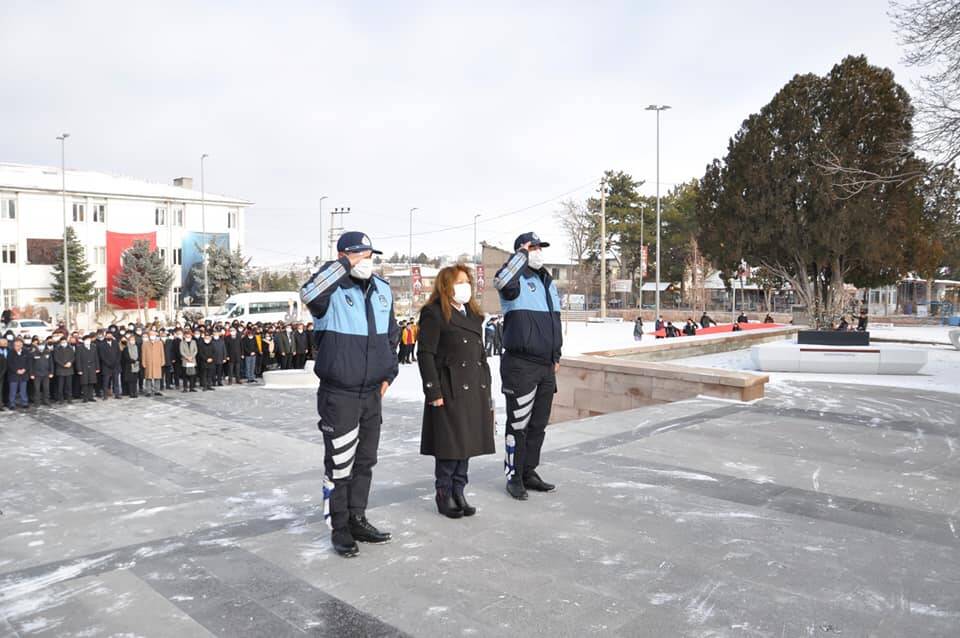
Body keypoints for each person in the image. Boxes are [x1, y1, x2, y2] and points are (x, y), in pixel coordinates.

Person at [300, 230, 399, 558]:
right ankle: (339, 527)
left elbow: (391, 336)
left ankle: (358, 517)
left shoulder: (382, 289)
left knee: (365, 461)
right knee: (340, 464)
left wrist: (389, 373)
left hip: (372, 393)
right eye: (358, 255)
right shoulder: (329, 291)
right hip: (339, 393)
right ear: (343, 256)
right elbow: (308, 292)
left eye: (369, 255)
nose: (365, 261)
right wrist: (341, 266)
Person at [417, 264, 496, 518]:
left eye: (467, 281)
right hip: (449, 388)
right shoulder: (434, 313)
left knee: (467, 444)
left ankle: (459, 490)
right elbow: (425, 354)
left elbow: (481, 355)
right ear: (446, 285)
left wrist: (488, 388)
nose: (465, 286)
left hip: (474, 387)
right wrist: (433, 391)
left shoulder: (473, 315)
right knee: (450, 446)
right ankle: (444, 493)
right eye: (459, 281)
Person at [494, 232, 561, 500]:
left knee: (538, 425)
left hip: (545, 365)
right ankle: (513, 475)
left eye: (539, 247)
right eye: (532, 247)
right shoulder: (514, 280)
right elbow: (501, 280)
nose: (537, 252)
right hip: (520, 365)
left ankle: (529, 471)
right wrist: (520, 255)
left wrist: (555, 355)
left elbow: (553, 322)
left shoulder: (547, 281)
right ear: (521, 250)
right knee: (518, 424)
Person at [7, 338, 31, 410]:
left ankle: (24, 402)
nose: (18, 347)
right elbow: (9, 363)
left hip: (24, 374)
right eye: (16, 345)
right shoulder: (10, 352)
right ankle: (12, 403)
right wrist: (16, 370)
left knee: (23, 390)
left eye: (19, 345)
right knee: (13, 390)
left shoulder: (26, 351)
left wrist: (25, 369)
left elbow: (29, 362)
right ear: (14, 345)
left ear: (22, 345)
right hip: (13, 374)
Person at [75, 334, 100, 403]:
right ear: (83, 341)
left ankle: (90, 396)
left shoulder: (93, 347)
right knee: (84, 383)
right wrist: (79, 369)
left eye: (89, 340)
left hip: (92, 367)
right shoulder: (79, 347)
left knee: (91, 382)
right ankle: (85, 397)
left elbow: (96, 358)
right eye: (86, 340)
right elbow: (78, 359)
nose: (88, 341)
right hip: (84, 367)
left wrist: (97, 367)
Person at [30, 338, 54, 406]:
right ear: (37, 346)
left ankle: (46, 400)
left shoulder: (48, 352)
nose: (41, 346)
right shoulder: (33, 353)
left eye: (42, 345)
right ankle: (37, 402)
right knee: (36, 389)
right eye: (40, 345)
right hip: (36, 374)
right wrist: (31, 374)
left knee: (46, 388)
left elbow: (51, 363)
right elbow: (31, 364)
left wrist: (51, 372)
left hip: (46, 374)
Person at [98, 331, 121, 400]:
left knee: (116, 381)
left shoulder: (116, 343)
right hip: (106, 366)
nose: (109, 336)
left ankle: (117, 394)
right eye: (108, 335)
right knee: (106, 382)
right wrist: (108, 363)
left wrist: (116, 362)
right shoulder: (102, 345)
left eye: (110, 335)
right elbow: (102, 356)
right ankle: (105, 395)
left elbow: (119, 354)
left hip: (115, 366)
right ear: (105, 336)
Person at [142, 330, 165, 396]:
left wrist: (163, 361)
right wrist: (143, 362)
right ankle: (148, 391)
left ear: (155, 335)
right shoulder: (145, 343)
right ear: (149, 336)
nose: (152, 336)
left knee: (157, 377)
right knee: (148, 377)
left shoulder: (160, 343)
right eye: (151, 335)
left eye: (153, 335)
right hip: (148, 362)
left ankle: (157, 390)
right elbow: (143, 354)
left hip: (157, 362)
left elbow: (162, 353)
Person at [53, 336, 75, 403]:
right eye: (62, 342)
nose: (63, 343)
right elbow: (56, 359)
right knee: (60, 386)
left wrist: (70, 362)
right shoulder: (57, 349)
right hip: (60, 370)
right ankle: (61, 399)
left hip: (69, 369)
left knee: (69, 385)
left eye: (65, 342)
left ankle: (69, 398)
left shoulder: (70, 348)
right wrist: (63, 364)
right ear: (60, 342)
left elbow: (73, 357)